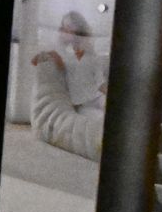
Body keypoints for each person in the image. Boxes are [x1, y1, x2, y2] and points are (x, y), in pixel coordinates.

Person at [29, 11, 105, 161]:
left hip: (95, 95)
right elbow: (36, 61)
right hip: (79, 102)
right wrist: (48, 56)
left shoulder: (90, 56)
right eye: (64, 27)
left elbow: (100, 82)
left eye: (70, 28)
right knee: (93, 117)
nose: (65, 31)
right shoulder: (60, 52)